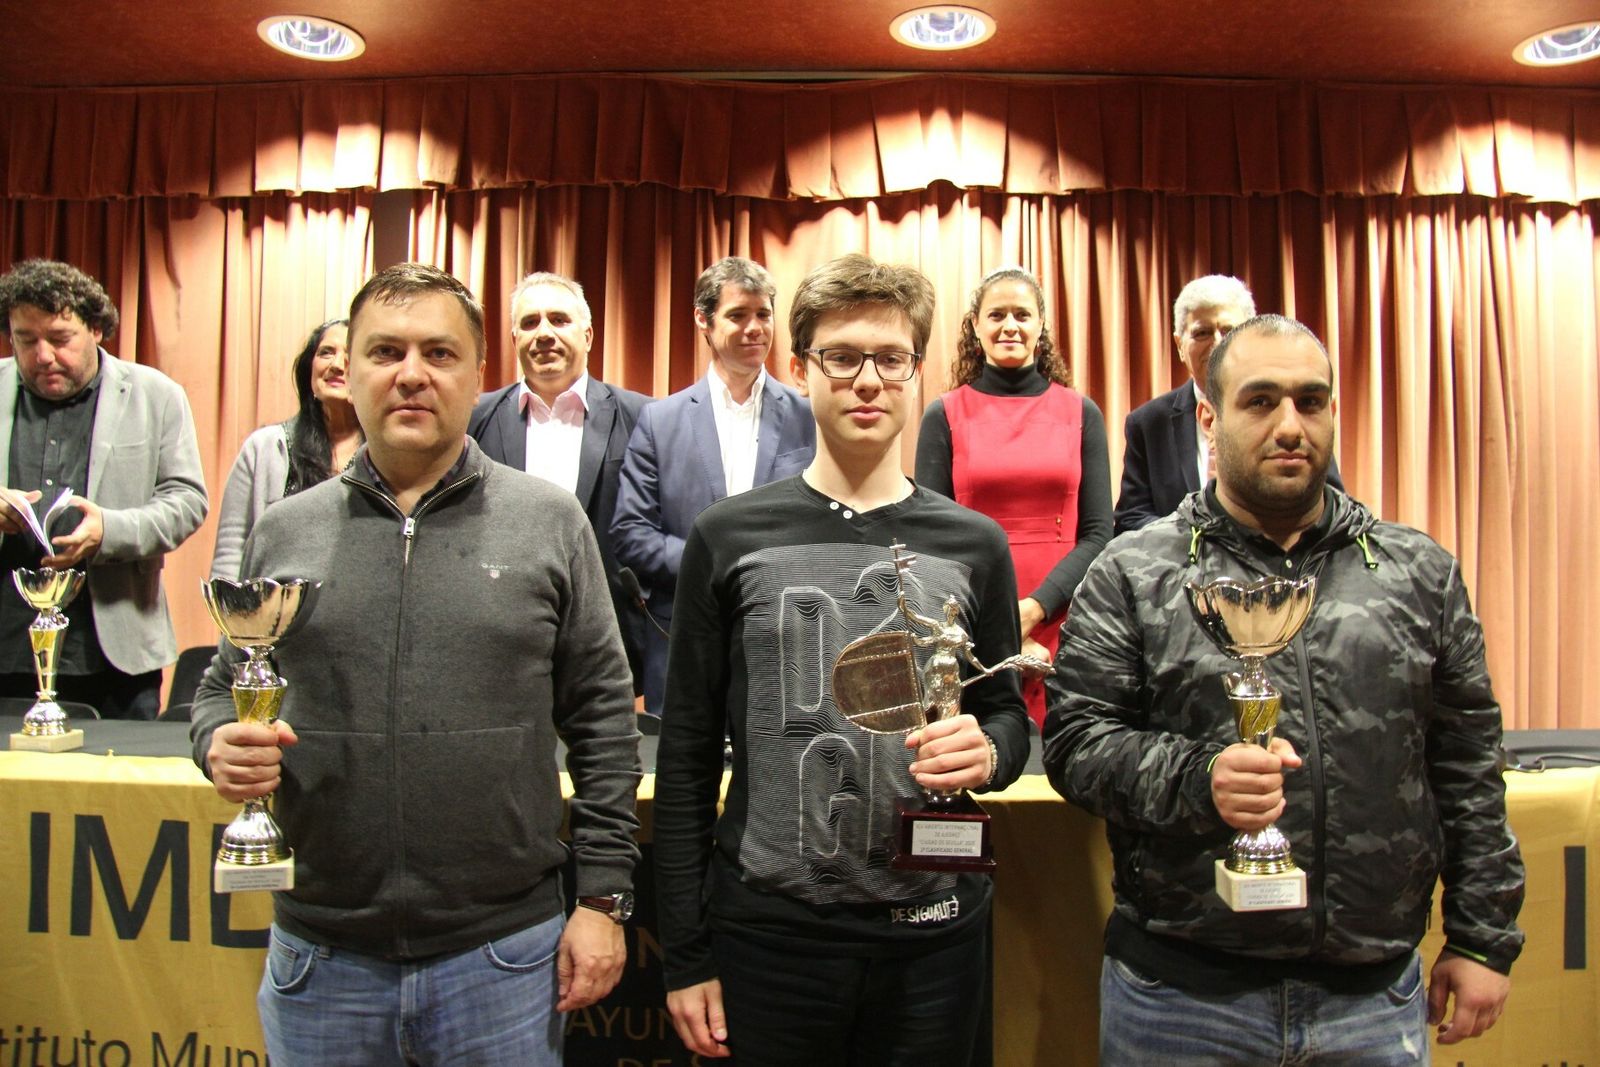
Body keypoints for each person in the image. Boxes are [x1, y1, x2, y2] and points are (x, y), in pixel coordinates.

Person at [190, 263, 641, 1066]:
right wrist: (218, 741)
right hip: (322, 956)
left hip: (503, 954)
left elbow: (605, 722)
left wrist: (604, 897)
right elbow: (224, 688)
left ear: (476, 375)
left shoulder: (548, 521)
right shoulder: (286, 529)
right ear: (346, 370)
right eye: (385, 351)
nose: (411, 374)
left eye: (438, 353)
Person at [1043, 314, 1524, 1064]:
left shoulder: (1415, 572)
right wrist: (1199, 777)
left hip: (1371, 998)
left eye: (1311, 400)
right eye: (1261, 401)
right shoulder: (1134, 571)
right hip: (1181, 997)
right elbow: (1076, 744)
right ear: (1208, 416)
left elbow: (1467, 763)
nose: (1291, 425)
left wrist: (1484, 935)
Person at [656, 253, 1030, 1065]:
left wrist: (993, 749)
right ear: (801, 369)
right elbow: (685, 756)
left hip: (935, 936)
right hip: (770, 939)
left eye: (890, 358)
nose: (868, 379)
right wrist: (684, 953)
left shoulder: (974, 543)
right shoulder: (727, 536)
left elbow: (1006, 712)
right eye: (843, 357)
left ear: (916, 371)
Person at [0, 258, 207, 720]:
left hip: (116, 654)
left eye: (58, 338)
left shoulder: (156, 394)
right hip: (6, 645)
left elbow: (187, 500)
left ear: (96, 329)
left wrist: (108, 531)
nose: (42, 356)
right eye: (25, 340)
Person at [611, 256, 815, 715]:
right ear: (703, 319)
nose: (755, 328)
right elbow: (630, 532)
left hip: (787, 645)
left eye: (763, 314)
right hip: (684, 642)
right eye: (738, 315)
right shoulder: (659, 422)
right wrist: (717, 567)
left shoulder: (809, 417)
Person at [915, 266, 1112, 728]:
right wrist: (1000, 623)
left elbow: (1100, 531)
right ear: (976, 326)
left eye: (1022, 314)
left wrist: (1035, 609)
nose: (1010, 325)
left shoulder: (1081, 412)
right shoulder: (943, 414)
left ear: (1041, 325)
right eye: (997, 314)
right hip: (971, 622)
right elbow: (932, 538)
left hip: (1066, 618)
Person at [469, 272, 650, 691]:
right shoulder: (475, 420)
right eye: (530, 323)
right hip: (504, 634)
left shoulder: (645, 418)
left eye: (559, 320)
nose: (544, 333)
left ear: (588, 335)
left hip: (611, 632)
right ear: (513, 338)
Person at [1115, 274, 1342, 535]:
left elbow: (1331, 502)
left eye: (1229, 331)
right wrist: (1198, 543)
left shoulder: (1292, 412)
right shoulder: (1148, 423)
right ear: (1179, 345)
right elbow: (1132, 518)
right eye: (1202, 333)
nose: (1218, 344)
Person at [210, 318, 362, 579]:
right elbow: (231, 553)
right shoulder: (264, 449)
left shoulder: (387, 456)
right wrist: (231, 616)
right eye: (326, 352)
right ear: (309, 369)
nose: (337, 365)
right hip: (274, 613)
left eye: (350, 355)